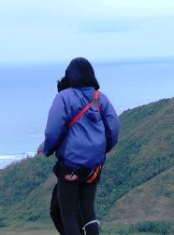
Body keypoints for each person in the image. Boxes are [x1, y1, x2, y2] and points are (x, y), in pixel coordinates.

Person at [40, 58, 120, 235]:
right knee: (87, 211)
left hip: (71, 165)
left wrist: (47, 149)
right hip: (94, 166)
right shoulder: (100, 98)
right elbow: (114, 130)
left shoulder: (64, 97)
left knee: (67, 212)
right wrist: (101, 149)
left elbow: (53, 130)